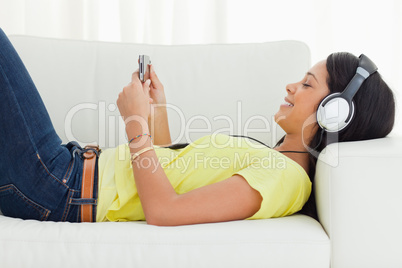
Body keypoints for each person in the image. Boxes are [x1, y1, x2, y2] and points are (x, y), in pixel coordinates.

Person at [0, 28, 395, 225]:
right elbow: (173, 173)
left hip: (57, 184)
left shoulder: (286, 179)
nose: (291, 86)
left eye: (307, 84)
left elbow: (165, 210)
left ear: (333, 113)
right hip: (63, 174)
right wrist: (158, 110)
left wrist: (135, 125)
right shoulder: (271, 160)